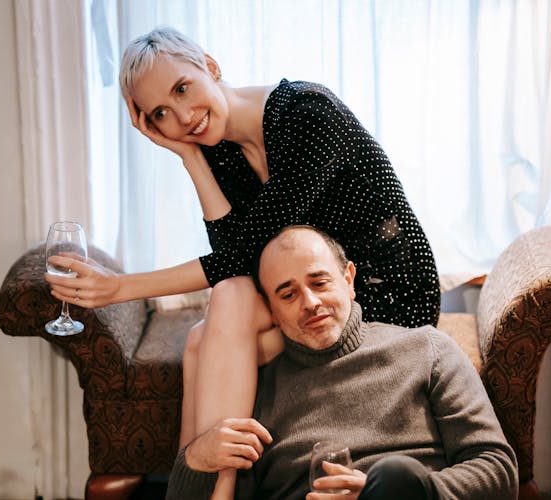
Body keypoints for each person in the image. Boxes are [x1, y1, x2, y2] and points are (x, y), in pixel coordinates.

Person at [45, 26, 441, 498]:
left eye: (182, 88)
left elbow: (242, 254)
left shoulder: (307, 115)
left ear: (211, 66)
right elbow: (237, 260)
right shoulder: (221, 150)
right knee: (204, 337)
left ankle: (217, 490)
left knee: (213, 328)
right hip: (313, 294)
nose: (183, 116)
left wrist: (121, 287)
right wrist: (189, 156)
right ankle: (206, 487)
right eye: (161, 114)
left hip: (388, 295)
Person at [165, 225, 518, 500]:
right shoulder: (252, 385)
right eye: (288, 294)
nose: (310, 302)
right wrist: (197, 459)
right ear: (270, 308)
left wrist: (410, 491)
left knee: (395, 476)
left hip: (406, 491)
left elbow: (498, 471)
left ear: (349, 280)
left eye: (320, 282)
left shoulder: (426, 349)